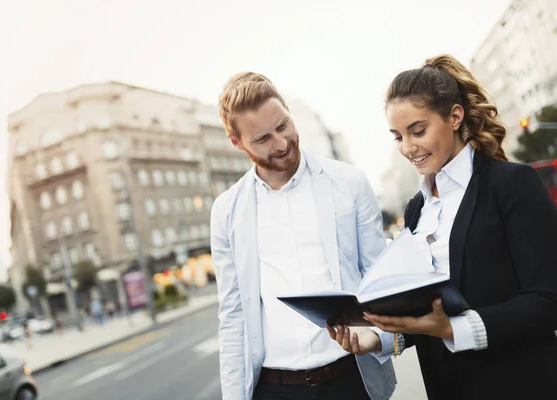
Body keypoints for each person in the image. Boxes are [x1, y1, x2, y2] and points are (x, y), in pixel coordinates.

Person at [329, 54, 557, 400]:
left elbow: (548, 300)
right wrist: (383, 336)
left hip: (520, 383)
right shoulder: (418, 209)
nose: (408, 147)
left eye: (418, 131)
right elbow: (428, 312)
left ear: (454, 117)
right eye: (397, 136)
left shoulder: (511, 184)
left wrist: (455, 329)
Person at [212, 72, 396, 400]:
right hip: (274, 388)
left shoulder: (349, 182)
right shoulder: (227, 211)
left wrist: (381, 338)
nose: (281, 144)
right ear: (237, 143)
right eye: (263, 139)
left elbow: (380, 279)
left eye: (283, 126)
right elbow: (233, 314)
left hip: (350, 378)